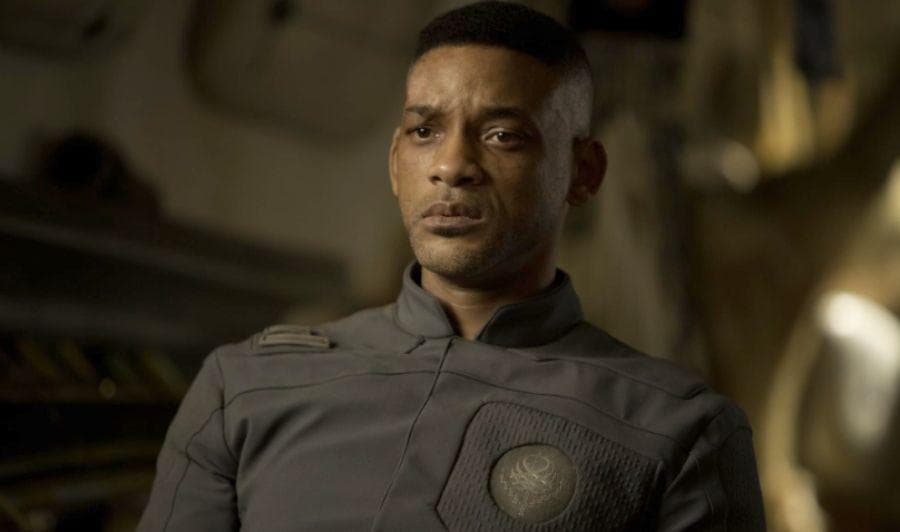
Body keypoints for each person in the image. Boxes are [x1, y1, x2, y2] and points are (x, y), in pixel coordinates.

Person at [138, 2, 765, 530]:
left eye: (502, 135)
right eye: (425, 132)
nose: (452, 165)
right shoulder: (244, 388)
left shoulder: (679, 432)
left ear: (583, 172)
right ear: (395, 163)